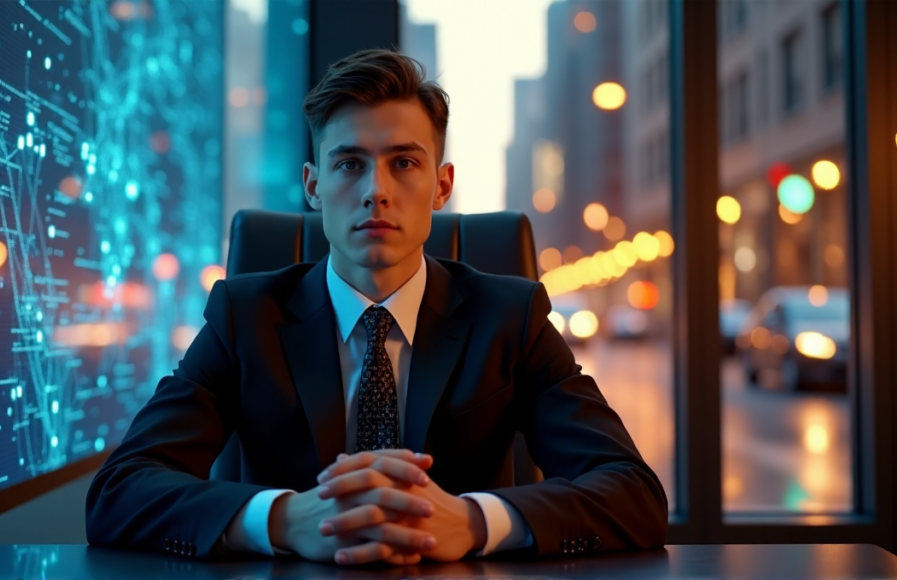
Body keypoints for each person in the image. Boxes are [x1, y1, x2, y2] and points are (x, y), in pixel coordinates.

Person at [85, 49, 668, 566]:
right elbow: (119, 491)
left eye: (404, 163)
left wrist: (472, 522)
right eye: (349, 164)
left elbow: (634, 493)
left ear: (442, 186)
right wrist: (285, 520)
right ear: (313, 186)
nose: (376, 191)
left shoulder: (509, 318)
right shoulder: (245, 317)